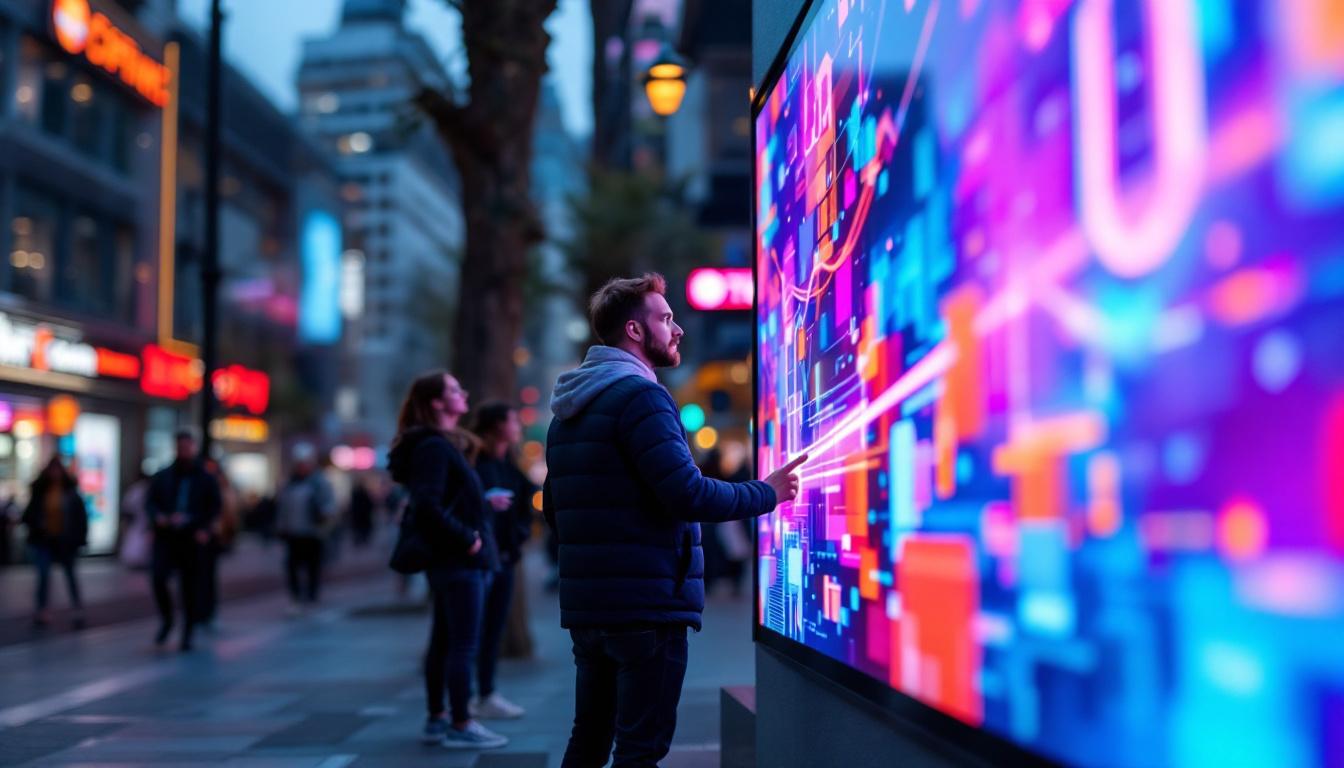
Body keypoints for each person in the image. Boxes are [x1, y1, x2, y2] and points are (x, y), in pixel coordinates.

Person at [545, 273, 804, 767]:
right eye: (665, 318)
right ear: (635, 331)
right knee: (640, 748)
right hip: (645, 606)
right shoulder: (641, 397)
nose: (677, 328)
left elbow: (556, 507)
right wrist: (766, 493)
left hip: (590, 608)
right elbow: (688, 493)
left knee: (589, 738)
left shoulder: (569, 411)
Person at [387, 370, 507, 751]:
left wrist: (482, 504)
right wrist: (468, 538)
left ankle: (438, 718)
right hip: (459, 562)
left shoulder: (439, 445)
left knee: (444, 640)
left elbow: (435, 499)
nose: (464, 393)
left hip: (452, 561)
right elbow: (427, 505)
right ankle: (461, 722)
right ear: (438, 403)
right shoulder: (435, 448)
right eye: (455, 390)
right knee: (463, 645)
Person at [468, 402, 537, 719]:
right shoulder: (474, 461)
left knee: (494, 627)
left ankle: (485, 693)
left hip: (505, 558)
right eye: (513, 419)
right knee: (471, 630)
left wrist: (520, 534)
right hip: (479, 559)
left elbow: (527, 497)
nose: (518, 426)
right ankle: (464, 699)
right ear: (497, 425)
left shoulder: (508, 463)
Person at [146, 428, 221, 651]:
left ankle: (187, 630)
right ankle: (167, 619)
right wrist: (158, 517)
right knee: (158, 577)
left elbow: (214, 506)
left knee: (189, 585)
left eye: (187, 446)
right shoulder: (164, 475)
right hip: (167, 536)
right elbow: (150, 502)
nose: (184, 450)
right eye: (181, 446)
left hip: (191, 537)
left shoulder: (205, 478)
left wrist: (203, 528)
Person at [22, 457, 88, 628]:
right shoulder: (40, 491)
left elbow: (80, 518)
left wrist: (79, 538)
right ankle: (41, 609)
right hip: (44, 540)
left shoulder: (70, 492)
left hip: (65, 541)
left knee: (70, 574)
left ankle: (76, 607)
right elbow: (29, 514)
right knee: (43, 575)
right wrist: (38, 524)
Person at [275, 443, 336, 614]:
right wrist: (281, 528)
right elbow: (283, 508)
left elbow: (329, 506)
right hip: (293, 533)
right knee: (292, 566)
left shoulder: (320, 483)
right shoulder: (289, 484)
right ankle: (296, 597)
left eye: (305, 463)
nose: (302, 467)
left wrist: (324, 518)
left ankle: (311, 595)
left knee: (312, 566)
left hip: (313, 533)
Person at [197, 458, 239, 630]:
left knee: (207, 574)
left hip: (213, 536)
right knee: (201, 575)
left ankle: (207, 610)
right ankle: (202, 610)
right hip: (201, 535)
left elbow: (229, 515)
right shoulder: (207, 485)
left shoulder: (222, 489)